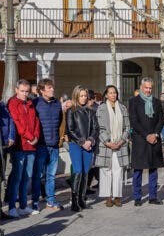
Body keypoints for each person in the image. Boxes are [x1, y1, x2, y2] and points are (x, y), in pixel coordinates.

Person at [129, 78, 164, 207]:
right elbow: (134, 121)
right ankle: (137, 197)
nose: (148, 90)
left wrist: (155, 134)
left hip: (154, 139)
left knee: (153, 169)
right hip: (140, 140)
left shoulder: (156, 102)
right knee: (138, 170)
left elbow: (161, 120)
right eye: (146, 88)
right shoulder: (133, 101)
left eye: (150, 88)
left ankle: (153, 196)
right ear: (141, 87)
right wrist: (146, 135)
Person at [7, 79, 40, 217]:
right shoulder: (12, 103)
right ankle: (11, 207)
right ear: (16, 90)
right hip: (19, 146)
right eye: (22, 91)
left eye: (27, 91)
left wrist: (36, 137)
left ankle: (23, 206)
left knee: (27, 177)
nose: (25, 94)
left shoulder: (30, 104)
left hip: (31, 146)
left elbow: (36, 122)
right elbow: (17, 124)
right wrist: (30, 137)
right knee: (17, 177)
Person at [94, 86, 130, 207]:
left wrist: (121, 141)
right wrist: (107, 142)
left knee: (118, 170)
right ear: (106, 95)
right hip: (106, 145)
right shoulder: (101, 108)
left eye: (115, 93)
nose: (113, 95)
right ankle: (108, 197)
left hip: (120, 144)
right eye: (110, 93)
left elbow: (127, 127)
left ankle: (117, 196)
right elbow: (99, 127)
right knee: (106, 170)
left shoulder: (123, 108)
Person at [31, 79, 63, 211]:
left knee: (51, 176)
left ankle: (51, 201)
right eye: (49, 88)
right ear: (42, 90)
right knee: (38, 175)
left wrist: (60, 139)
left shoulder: (57, 104)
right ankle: (34, 203)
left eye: (52, 87)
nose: (52, 90)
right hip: (40, 146)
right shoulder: (35, 103)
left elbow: (60, 121)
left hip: (54, 145)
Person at [66, 86, 98, 212]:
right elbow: (70, 129)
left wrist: (90, 140)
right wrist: (82, 142)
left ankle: (82, 199)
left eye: (85, 96)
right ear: (76, 96)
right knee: (78, 170)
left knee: (85, 172)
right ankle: (74, 201)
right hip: (76, 144)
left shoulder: (91, 111)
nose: (84, 98)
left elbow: (95, 128)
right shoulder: (71, 111)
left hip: (88, 145)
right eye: (81, 96)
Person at [0, 100, 16, 218]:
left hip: (3, 146)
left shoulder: (2, 106)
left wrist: (10, 136)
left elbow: (10, 121)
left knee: (1, 178)